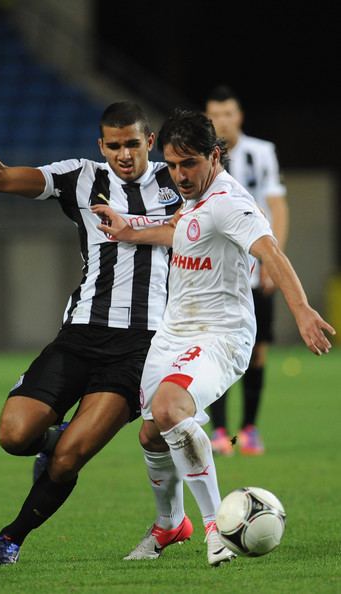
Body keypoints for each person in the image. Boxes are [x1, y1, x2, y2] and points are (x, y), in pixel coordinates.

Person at [0, 78, 234, 567]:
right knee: (13, 436)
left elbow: (218, 215)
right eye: (114, 145)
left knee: (69, 458)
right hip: (79, 336)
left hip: (142, 348)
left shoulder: (179, 181)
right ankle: (59, 435)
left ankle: (11, 537)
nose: (124, 154)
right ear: (100, 146)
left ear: (149, 141)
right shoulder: (79, 178)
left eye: (132, 143)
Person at [92, 108, 335, 560]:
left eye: (190, 164)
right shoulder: (194, 198)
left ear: (215, 156)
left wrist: (300, 310)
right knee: (151, 435)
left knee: (169, 407)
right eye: (172, 164)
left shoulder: (229, 202)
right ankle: (169, 526)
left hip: (221, 334)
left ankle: (215, 530)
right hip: (174, 332)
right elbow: (184, 232)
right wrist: (131, 229)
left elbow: (270, 251)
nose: (180, 176)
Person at [205, 85, 289, 456]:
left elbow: (277, 207)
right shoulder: (201, 155)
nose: (221, 120)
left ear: (238, 116)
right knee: (215, 348)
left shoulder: (261, 152)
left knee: (258, 350)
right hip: (218, 270)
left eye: (227, 113)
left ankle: (249, 429)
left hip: (257, 270)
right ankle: (220, 431)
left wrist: (275, 260)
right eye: (214, 115)